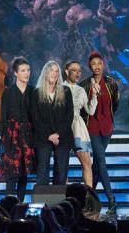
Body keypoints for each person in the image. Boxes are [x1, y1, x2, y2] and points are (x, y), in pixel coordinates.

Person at [80, 51, 119, 213]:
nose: (96, 66)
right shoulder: (85, 85)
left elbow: (115, 104)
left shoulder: (111, 83)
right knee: (101, 161)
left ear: (103, 65)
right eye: (93, 64)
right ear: (90, 66)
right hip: (92, 128)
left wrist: (108, 119)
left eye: (99, 63)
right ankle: (111, 199)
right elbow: (84, 109)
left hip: (107, 127)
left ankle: (90, 199)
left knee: (97, 164)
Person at [0, 57, 35, 202]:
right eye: (23, 70)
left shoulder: (33, 91)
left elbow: (35, 115)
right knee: (12, 173)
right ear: (16, 73)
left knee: (24, 173)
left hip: (28, 136)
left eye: (28, 70)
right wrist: (5, 139)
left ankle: (20, 204)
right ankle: (10, 205)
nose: (27, 73)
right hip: (12, 136)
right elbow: (4, 116)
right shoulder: (9, 92)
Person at [32, 60, 74, 187]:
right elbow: (35, 118)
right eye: (51, 70)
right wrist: (49, 135)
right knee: (42, 172)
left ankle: (60, 204)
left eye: (57, 71)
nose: (54, 73)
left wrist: (58, 134)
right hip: (43, 137)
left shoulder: (66, 91)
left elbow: (69, 116)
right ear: (45, 73)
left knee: (61, 172)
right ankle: (43, 203)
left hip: (63, 136)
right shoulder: (36, 93)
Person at [63, 60, 96, 188]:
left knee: (87, 162)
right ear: (67, 71)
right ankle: (63, 199)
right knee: (62, 164)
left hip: (78, 127)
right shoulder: (59, 87)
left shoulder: (81, 90)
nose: (77, 73)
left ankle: (89, 197)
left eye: (79, 71)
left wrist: (94, 97)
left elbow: (90, 111)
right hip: (63, 126)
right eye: (74, 70)